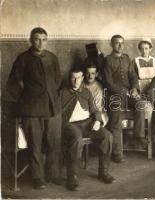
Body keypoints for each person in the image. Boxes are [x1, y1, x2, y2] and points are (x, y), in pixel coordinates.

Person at [6, 27, 62, 189]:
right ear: (31, 40)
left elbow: (57, 80)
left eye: (44, 39)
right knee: (35, 144)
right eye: (37, 39)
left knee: (54, 142)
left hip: (52, 108)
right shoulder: (23, 59)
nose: (41, 43)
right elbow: (15, 84)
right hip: (32, 109)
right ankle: (37, 177)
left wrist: (50, 95)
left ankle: (53, 174)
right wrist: (29, 95)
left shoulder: (52, 57)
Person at [61, 68, 115, 191]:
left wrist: (97, 120)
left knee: (107, 136)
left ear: (82, 78)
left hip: (87, 124)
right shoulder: (62, 93)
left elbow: (95, 110)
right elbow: (57, 113)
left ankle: (103, 172)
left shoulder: (86, 92)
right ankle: (72, 177)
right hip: (70, 125)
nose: (76, 81)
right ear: (70, 78)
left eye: (79, 77)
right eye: (73, 77)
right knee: (77, 139)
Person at [103, 35, 145, 163]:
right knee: (115, 119)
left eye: (122, 43)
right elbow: (108, 83)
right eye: (117, 43)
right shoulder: (107, 60)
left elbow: (133, 76)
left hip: (128, 94)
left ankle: (138, 137)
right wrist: (124, 92)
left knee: (140, 105)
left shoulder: (127, 58)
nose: (120, 46)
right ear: (112, 45)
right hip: (113, 95)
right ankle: (117, 153)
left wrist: (134, 88)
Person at [81, 60, 109, 126]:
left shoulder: (99, 88)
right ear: (84, 73)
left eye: (93, 73)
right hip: (83, 112)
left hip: (97, 113)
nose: (90, 76)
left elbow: (97, 109)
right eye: (88, 73)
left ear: (96, 74)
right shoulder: (80, 84)